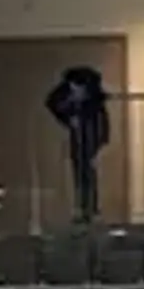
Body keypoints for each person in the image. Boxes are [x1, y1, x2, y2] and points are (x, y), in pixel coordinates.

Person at [45, 66, 110, 224]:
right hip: (79, 135)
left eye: (78, 88)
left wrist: (100, 145)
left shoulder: (94, 101)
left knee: (88, 171)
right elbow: (52, 103)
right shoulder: (65, 92)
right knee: (80, 170)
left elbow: (102, 122)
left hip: (89, 136)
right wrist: (68, 119)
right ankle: (82, 207)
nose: (75, 90)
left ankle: (90, 208)